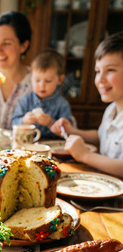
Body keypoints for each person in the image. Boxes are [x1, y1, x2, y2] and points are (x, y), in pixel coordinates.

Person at [51, 31, 123, 178]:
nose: (100, 79)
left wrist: (85, 156)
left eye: (110, 70)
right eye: (98, 71)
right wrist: (72, 130)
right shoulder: (111, 109)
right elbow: (100, 136)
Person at [11, 48, 73, 140]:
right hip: (27, 147)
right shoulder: (26, 100)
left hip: (52, 147)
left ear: (60, 80)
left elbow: (67, 132)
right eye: (37, 80)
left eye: (48, 81)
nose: (42, 85)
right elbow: (13, 124)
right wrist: (24, 121)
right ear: (31, 77)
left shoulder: (62, 105)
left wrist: (51, 123)